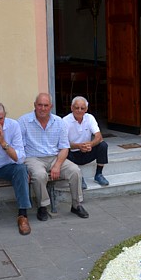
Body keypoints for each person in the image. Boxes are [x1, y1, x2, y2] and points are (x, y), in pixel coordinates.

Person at [18, 93, 89, 221]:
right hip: (33, 158)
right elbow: (20, 148)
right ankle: (43, 206)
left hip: (55, 157)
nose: (43, 108)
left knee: (75, 171)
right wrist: (23, 168)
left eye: (46, 105)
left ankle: (76, 204)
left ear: (51, 106)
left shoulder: (59, 122)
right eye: (40, 105)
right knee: (39, 175)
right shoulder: (23, 121)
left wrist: (57, 165)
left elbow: (64, 148)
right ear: (35, 105)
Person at [0, 102, 31, 237]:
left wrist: (3, 143)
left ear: (5, 117)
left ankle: (23, 215)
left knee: (21, 169)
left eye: (0, 118)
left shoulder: (13, 126)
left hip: (8, 166)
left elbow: (19, 158)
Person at [62, 96, 109, 188]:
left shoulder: (90, 118)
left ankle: (99, 174)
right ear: (71, 108)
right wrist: (78, 146)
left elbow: (99, 136)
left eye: (82, 108)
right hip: (72, 153)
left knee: (103, 145)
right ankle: (79, 177)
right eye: (76, 108)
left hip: (87, 150)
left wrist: (90, 144)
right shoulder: (64, 121)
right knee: (63, 150)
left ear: (86, 109)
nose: (79, 110)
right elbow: (63, 143)